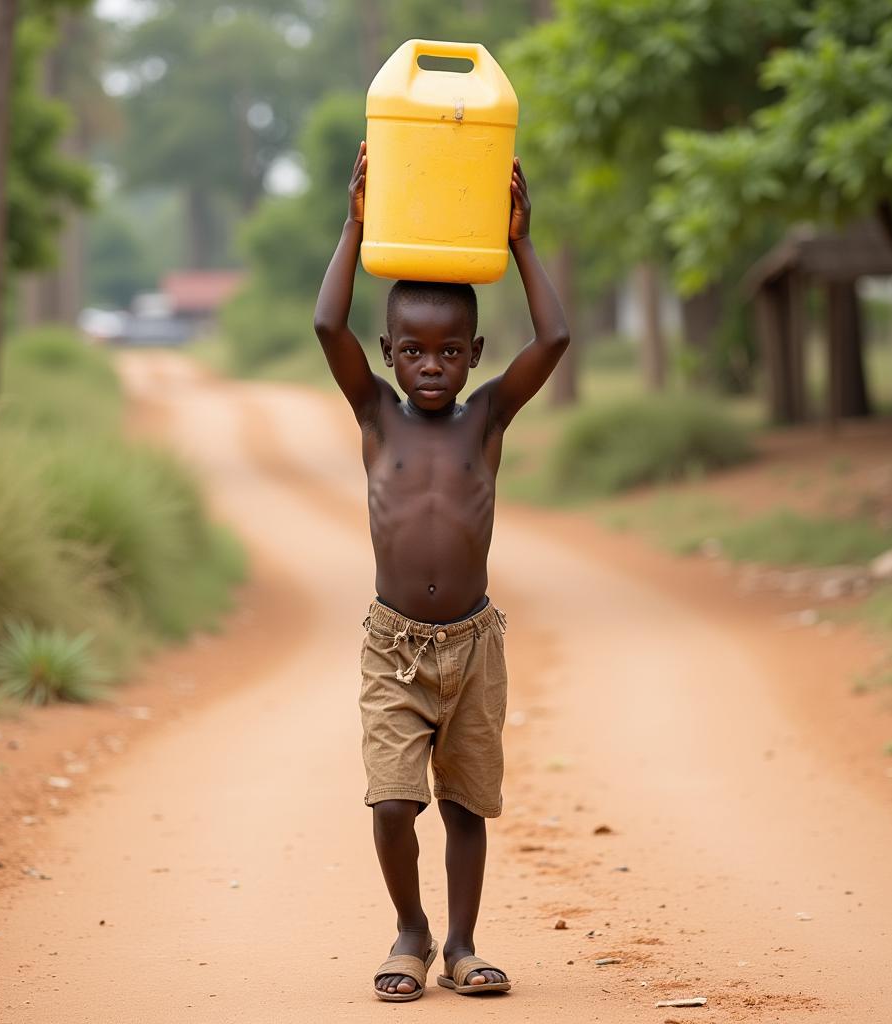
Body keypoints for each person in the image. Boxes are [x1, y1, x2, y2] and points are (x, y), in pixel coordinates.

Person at [313, 141, 570, 1003]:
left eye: (450, 352)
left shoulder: (488, 419)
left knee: (464, 805)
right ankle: (410, 929)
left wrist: (520, 242)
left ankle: (462, 945)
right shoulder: (375, 416)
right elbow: (324, 326)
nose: (432, 367)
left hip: (473, 646)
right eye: (414, 351)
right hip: (393, 644)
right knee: (393, 804)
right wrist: (353, 229)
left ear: (474, 353)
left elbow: (558, 335)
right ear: (388, 353)